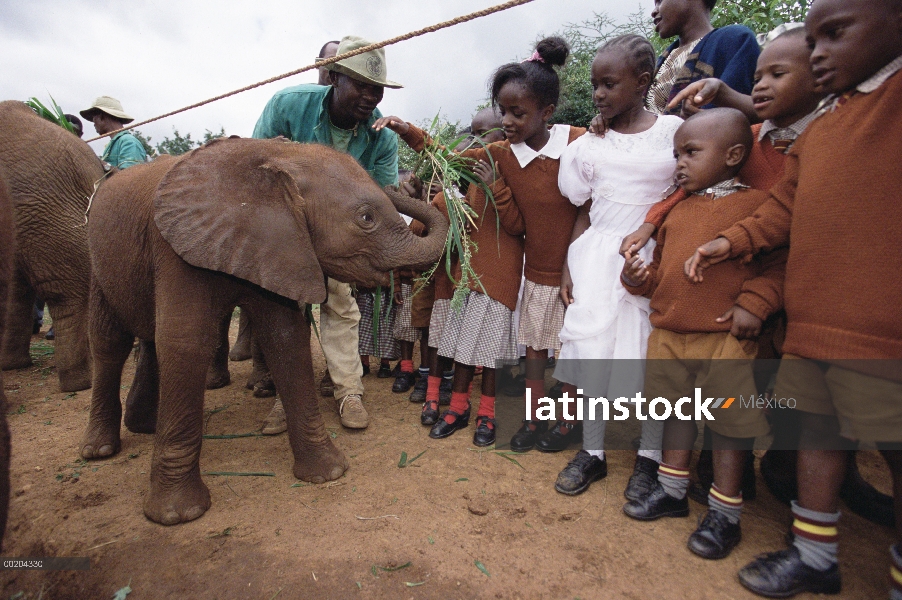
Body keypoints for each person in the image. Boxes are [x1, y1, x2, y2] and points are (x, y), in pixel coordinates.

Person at [685, 0, 902, 595]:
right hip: (812, 326)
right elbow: (783, 208)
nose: (821, 51)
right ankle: (814, 555)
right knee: (816, 438)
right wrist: (730, 241)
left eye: (835, 34)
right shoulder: (823, 126)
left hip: (883, 332)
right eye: (815, 37)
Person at [375, 37, 587, 451]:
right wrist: (407, 130)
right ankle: (482, 412)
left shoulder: (579, 142)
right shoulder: (499, 154)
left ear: (547, 112)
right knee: (521, 353)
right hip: (526, 273)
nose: (506, 121)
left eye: (516, 112)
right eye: (502, 110)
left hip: (574, 266)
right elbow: (449, 158)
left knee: (575, 353)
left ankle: (566, 424)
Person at [621, 109, 785, 563]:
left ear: (733, 155)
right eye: (676, 154)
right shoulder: (678, 211)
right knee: (675, 415)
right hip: (670, 333)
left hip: (723, 339)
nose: (680, 163)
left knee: (728, 427)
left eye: (691, 152)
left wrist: (755, 303)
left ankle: (724, 514)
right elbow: (661, 279)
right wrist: (639, 277)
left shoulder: (759, 207)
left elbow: (777, 267)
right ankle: (672, 491)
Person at [551, 35, 683, 498]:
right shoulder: (588, 146)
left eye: (609, 84)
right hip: (596, 259)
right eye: (594, 85)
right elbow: (582, 209)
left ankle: (648, 460)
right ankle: (593, 452)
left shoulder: (672, 133)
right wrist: (570, 264)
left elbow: (682, 191)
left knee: (649, 357)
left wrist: (655, 238)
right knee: (593, 354)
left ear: (643, 82)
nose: (598, 94)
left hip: (651, 259)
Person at [253, 35, 402, 430]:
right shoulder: (287, 106)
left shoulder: (382, 137)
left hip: (339, 235)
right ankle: (290, 397)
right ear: (334, 77)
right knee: (288, 309)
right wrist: (267, 152)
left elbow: (384, 197)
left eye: (378, 88)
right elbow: (251, 164)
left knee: (340, 305)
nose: (371, 97)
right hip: (286, 228)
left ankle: (348, 391)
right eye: (362, 86)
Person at [424, 108, 519, 447]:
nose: (476, 143)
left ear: (503, 136)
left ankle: (488, 414)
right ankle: (459, 408)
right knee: (463, 347)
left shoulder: (511, 169)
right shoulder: (472, 182)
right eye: (473, 134)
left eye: (484, 134)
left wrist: (496, 185)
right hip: (470, 278)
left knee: (493, 354)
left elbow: (517, 226)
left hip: (500, 277)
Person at [647, 0, 759, 116]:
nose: (654, 11)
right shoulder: (665, 57)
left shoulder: (733, 40)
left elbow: (736, 116)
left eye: (660, 1)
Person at [80, 96, 147, 169]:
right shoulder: (113, 144)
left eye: (94, 119)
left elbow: (129, 176)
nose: (94, 124)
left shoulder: (129, 142)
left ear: (101, 117)